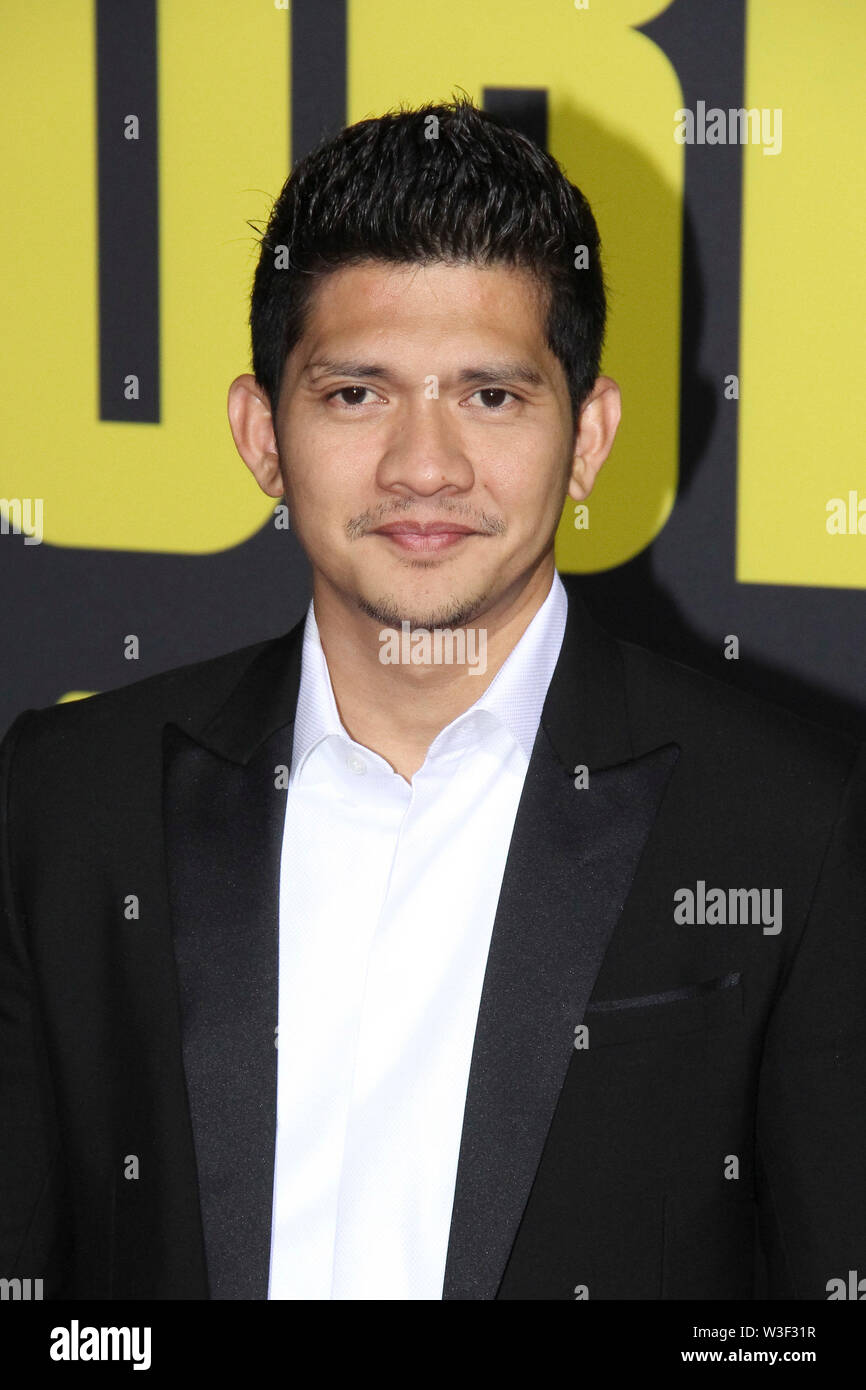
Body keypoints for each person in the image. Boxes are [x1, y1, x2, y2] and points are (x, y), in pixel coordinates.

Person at [1, 98, 864, 1301]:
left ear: (587, 439)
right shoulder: (63, 803)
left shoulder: (795, 821)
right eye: (356, 393)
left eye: (491, 396)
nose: (423, 467)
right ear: (262, 434)